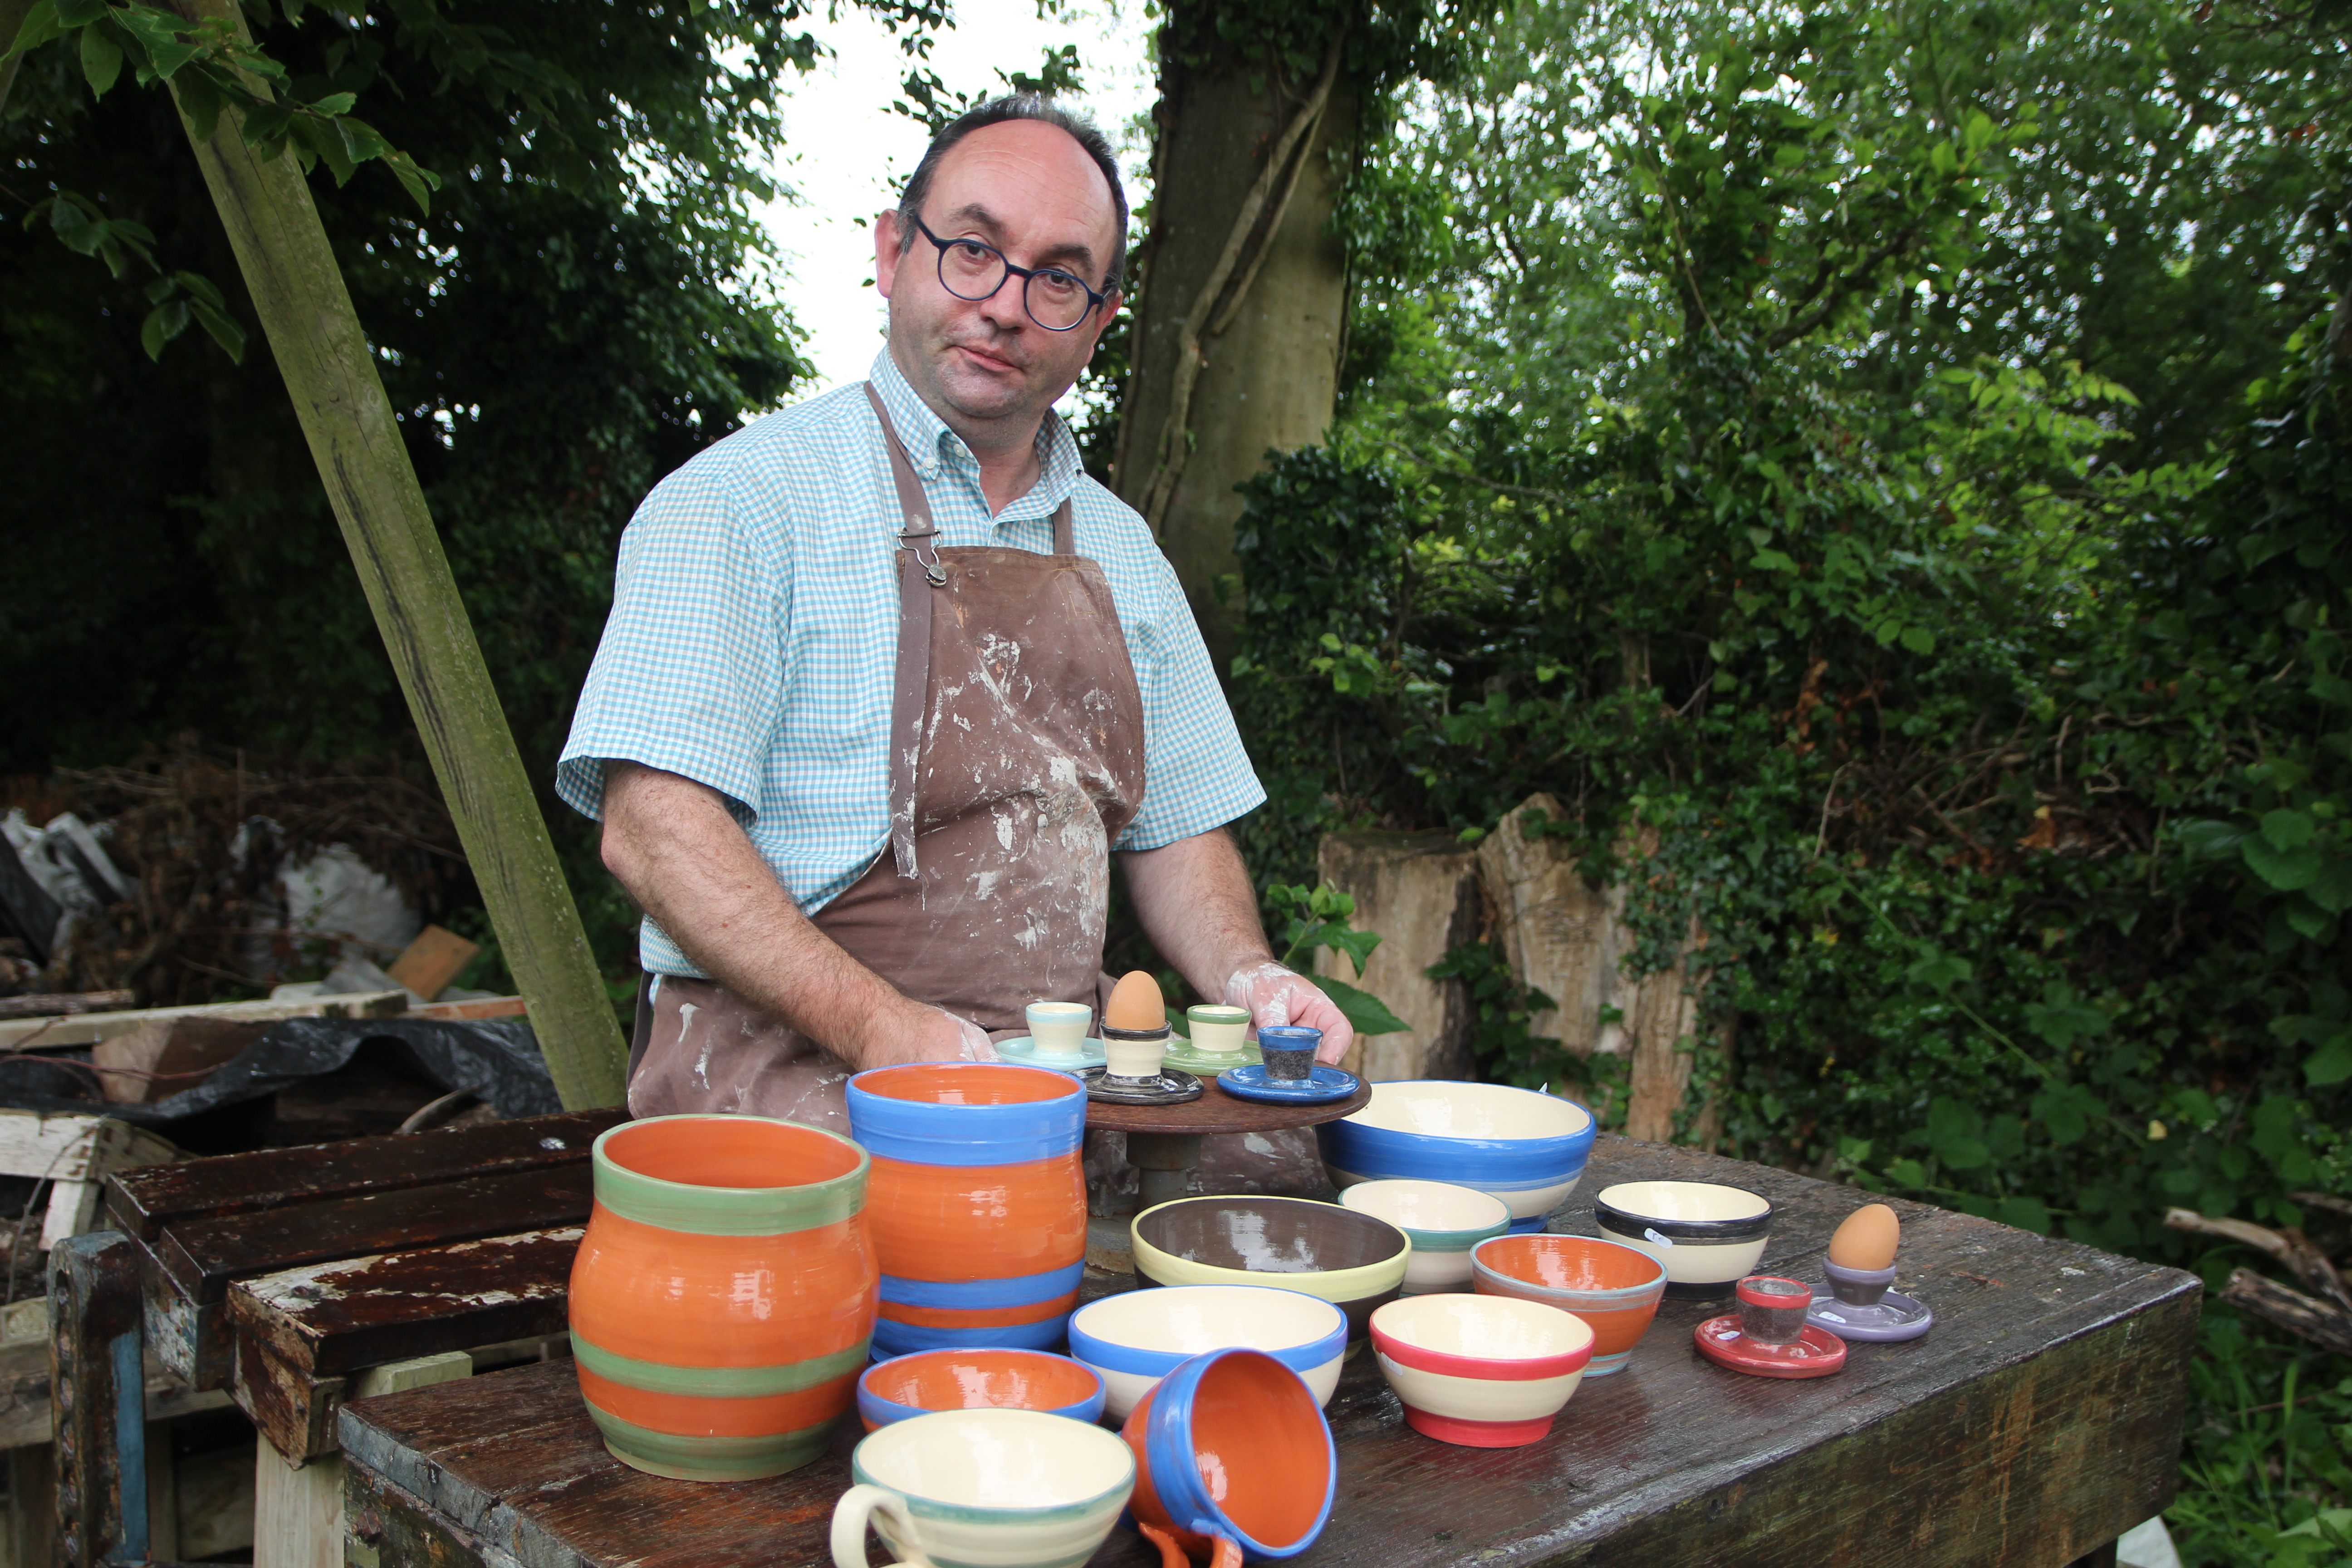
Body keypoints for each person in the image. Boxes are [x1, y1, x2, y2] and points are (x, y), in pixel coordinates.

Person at [555, 95, 1352, 1166]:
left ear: (1101, 319)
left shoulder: (1126, 552)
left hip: (1056, 1086)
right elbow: (653, 831)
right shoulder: (742, 502)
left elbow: (1179, 831)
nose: (1007, 305)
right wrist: (894, 1034)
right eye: (974, 250)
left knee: (1277, 1201)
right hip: (781, 1083)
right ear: (893, 253)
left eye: (1059, 277)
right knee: (946, 1253)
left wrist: (1251, 979)